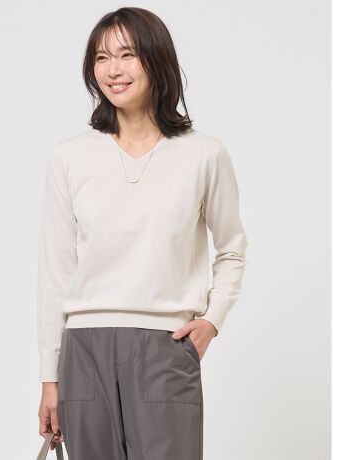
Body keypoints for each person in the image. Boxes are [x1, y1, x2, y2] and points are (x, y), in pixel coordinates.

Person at [37, 6, 248, 459]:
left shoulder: (203, 154)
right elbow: (57, 273)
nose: (113, 70)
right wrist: (50, 377)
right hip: (84, 348)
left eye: (127, 54)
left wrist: (212, 320)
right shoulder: (70, 156)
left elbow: (232, 248)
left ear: (156, 59)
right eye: (101, 57)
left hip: (164, 346)